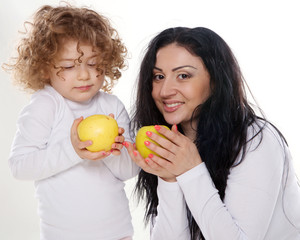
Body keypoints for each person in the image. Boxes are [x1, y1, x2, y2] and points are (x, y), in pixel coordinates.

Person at [124, 27, 300, 239]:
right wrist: (169, 180)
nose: (164, 91)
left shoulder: (255, 140)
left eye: (183, 75)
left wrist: (190, 171)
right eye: (158, 76)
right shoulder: (171, 143)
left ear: (216, 81)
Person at [5, 4, 139, 240]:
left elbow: (129, 170)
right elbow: (20, 166)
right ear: (44, 68)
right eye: (68, 66)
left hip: (117, 232)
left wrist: (113, 150)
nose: (84, 75)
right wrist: (74, 150)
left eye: (93, 63)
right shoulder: (46, 105)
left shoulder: (111, 107)